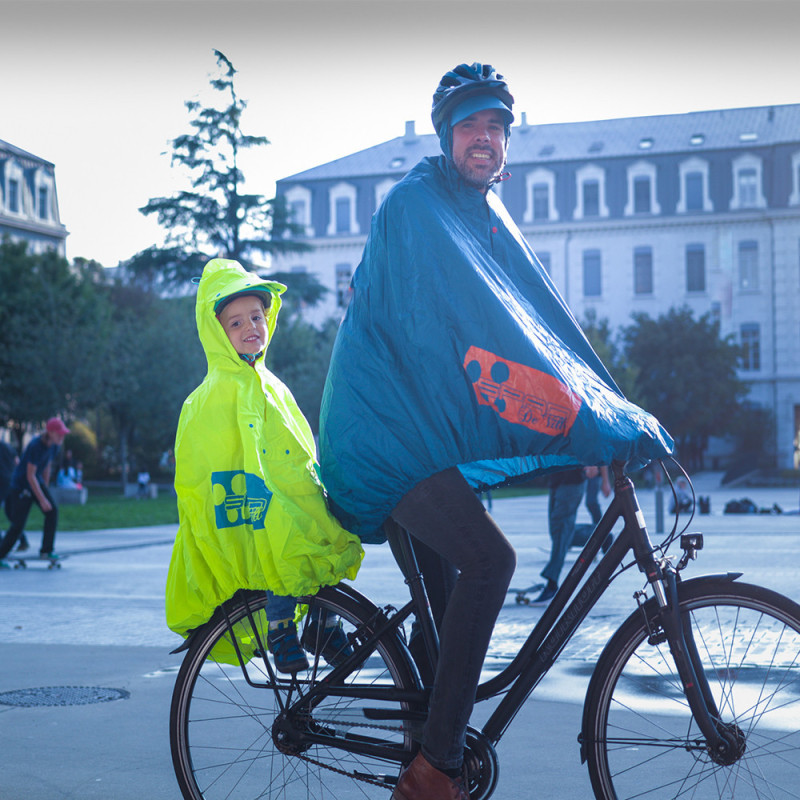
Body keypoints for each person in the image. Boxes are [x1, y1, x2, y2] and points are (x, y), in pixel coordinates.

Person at [319, 63, 673, 799]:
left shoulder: (482, 213)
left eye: (496, 126)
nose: (485, 138)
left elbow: (548, 327)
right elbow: (493, 334)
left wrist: (609, 407)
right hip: (384, 439)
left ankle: (426, 741)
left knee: (448, 616)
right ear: (448, 134)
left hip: (420, 438)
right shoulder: (421, 207)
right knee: (493, 562)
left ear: (507, 141)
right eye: (471, 125)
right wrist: (595, 420)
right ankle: (434, 769)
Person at [165, 258, 364, 674]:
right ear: (216, 334)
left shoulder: (270, 383)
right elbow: (205, 462)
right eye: (235, 323)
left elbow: (295, 438)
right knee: (280, 543)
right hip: (254, 499)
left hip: (295, 491)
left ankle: (324, 624)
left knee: (327, 531)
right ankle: (280, 628)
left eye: (256, 316)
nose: (250, 327)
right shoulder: (211, 395)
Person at [531, 465, 610, 606]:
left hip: (572, 480)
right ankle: (601, 535)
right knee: (559, 533)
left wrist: (593, 465)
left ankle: (552, 583)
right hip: (556, 476)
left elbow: (590, 442)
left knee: (561, 531)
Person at [0, 417, 69, 565]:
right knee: (18, 525)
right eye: (59, 434)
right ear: (50, 432)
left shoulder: (55, 446)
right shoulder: (36, 445)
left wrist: (45, 489)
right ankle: (1, 555)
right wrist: (42, 499)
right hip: (21, 485)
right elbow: (29, 474)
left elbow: (46, 466)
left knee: (52, 511)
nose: (62, 436)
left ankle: (46, 550)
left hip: (36, 481)